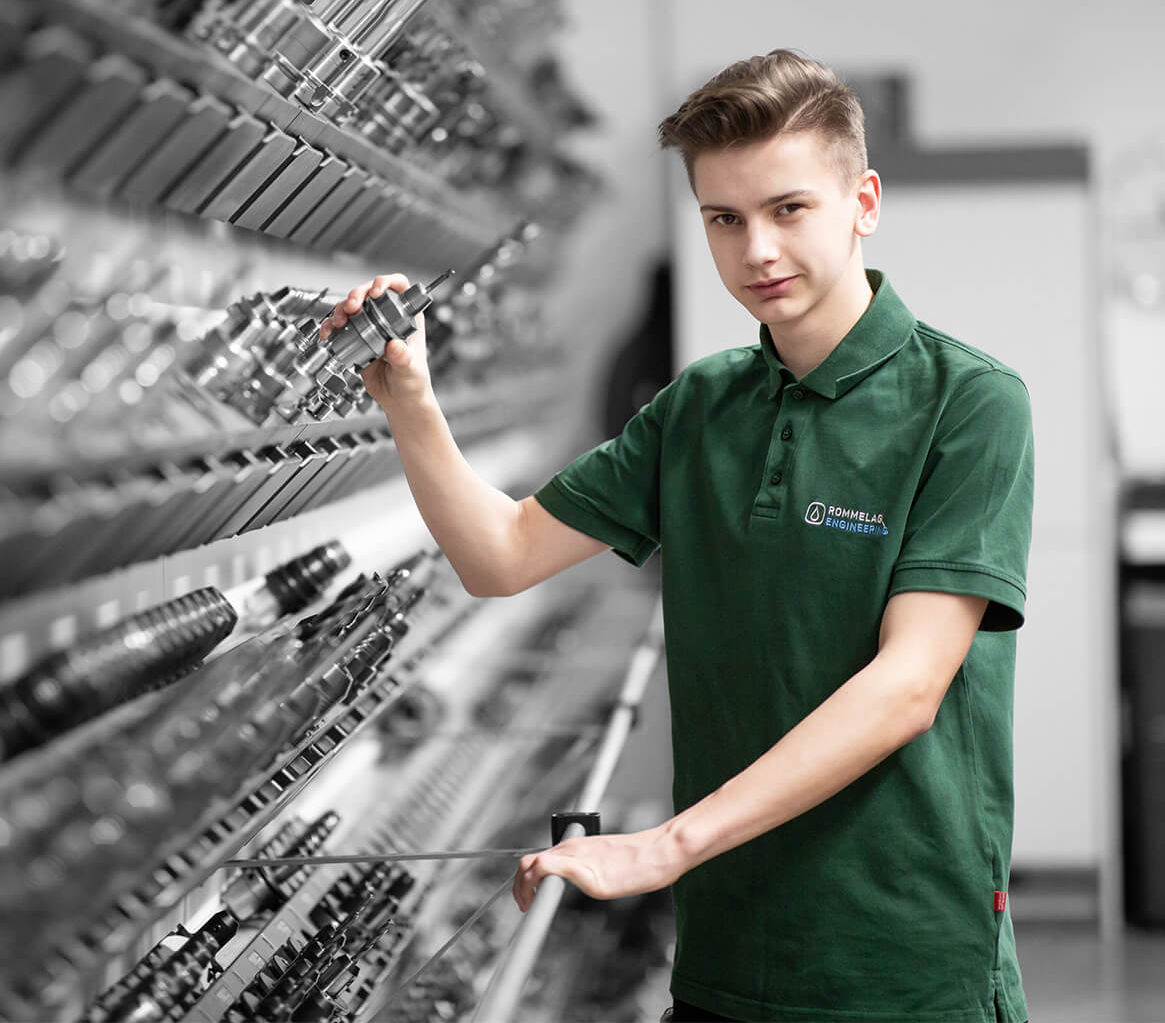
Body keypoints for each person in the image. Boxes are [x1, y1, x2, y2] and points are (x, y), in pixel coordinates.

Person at [321, 50, 1035, 1023]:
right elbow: (499, 556)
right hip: (725, 955)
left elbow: (908, 686)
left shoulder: (970, 403)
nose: (758, 253)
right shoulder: (699, 406)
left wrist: (660, 846)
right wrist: (409, 398)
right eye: (724, 220)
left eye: (790, 210)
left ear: (862, 202)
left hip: (902, 961)